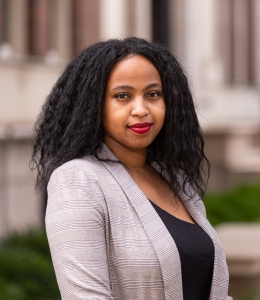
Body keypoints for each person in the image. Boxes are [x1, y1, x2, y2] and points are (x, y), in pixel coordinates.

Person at [31, 37, 232, 300]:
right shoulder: (77, 179)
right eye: (122, 96)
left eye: (152, 94)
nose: (141, 109)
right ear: (94, 105)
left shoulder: (175, 181)